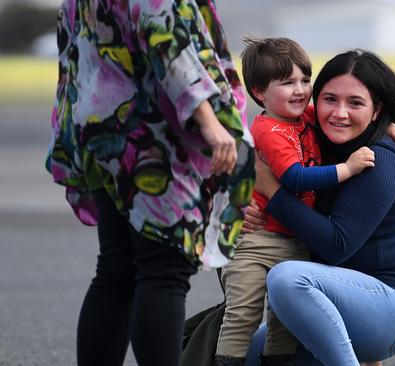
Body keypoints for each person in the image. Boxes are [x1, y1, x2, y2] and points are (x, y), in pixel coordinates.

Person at [45, 0, 253, 365]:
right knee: (163, 271)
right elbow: (164, 32)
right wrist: (207, 118)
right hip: (152, 137)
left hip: (100, 128)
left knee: (117, 269)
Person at [214, 37, 395, 366]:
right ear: (259, 93)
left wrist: (388, 126)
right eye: (288, 83)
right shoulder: (275, 130)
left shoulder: (314, 123)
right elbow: (296, 178)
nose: (301, 90)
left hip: (388, 306)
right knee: (246, 329)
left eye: (305, 80)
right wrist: (235, 201)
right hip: (273, 252)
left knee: (285, 296)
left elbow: (336, 245)